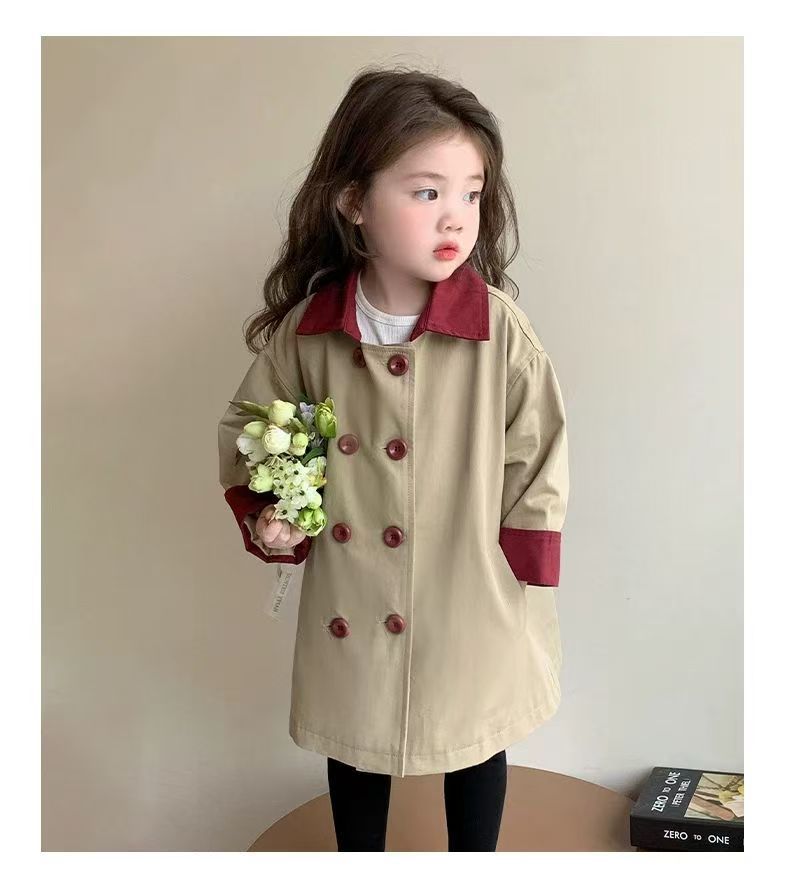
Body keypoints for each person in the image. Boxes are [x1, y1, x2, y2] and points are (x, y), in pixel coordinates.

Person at [217, 65, 570, 852]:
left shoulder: (498, 330)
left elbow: (539, 449)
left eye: (471, 193)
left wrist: (522, 563)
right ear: (354, 200)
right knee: (356, 738)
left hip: (468, 579)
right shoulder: (310, 332)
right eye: (426, 191)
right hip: (355, 585)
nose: (455, 217)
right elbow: (257, 428)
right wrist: (277, 513)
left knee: (474, 735)